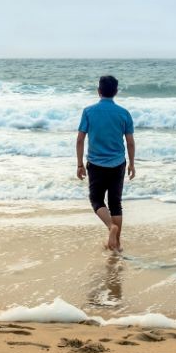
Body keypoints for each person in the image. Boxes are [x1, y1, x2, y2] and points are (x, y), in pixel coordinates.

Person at [76, 75, 135, 251]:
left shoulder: (88, 111)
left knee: (96, 199)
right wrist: (132, 164)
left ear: (99, 91)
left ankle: (111, 227)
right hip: (118, 164)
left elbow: (80, 139)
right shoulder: (124, 113)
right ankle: (117, 243)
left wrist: (79, 164)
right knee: (115, 202)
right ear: (116, 92)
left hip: (96, 163)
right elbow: (130, 142)